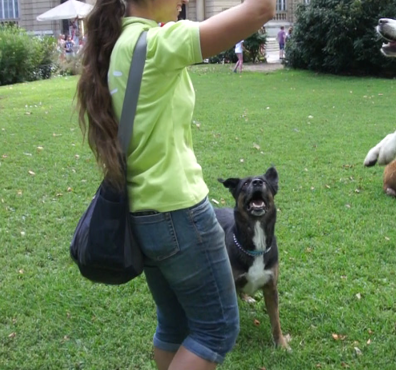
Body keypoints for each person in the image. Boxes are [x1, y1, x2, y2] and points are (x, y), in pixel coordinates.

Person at [74, 0, 275, 369]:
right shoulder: (160, 44)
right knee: (217, 328)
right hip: (179, 214)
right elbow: (262, 9)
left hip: (143, 215)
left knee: (175, 324)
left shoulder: (121, 43)